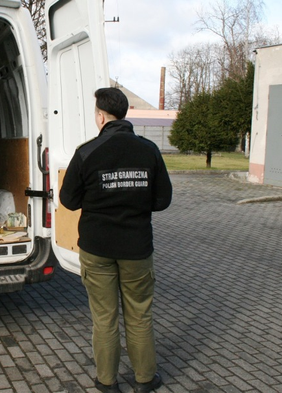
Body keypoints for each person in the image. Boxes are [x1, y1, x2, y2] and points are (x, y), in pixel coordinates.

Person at [59, 87, 172, 393]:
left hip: (97, 249)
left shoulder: (87, 152)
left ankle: (107, 382)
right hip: (136, 247)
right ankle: (145, 379)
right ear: (124, 114)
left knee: (105, 317)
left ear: (101, 116)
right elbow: (162, 200)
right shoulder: (148, 150)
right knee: (139, 313)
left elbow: (68, 200)